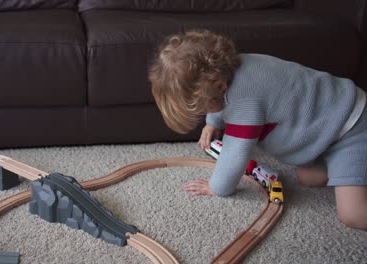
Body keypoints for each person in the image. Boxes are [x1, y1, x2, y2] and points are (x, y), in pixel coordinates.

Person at [148, 29, 367, 230]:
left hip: (352, 126)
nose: (205, 113)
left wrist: (217, 187)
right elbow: (218, 99)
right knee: (307, 177)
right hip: (331, 126)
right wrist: (212, 123)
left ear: (219, 87)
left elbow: (235, 154)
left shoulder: (244, 103)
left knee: (352, 214)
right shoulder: (232, 69)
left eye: (204, 108)